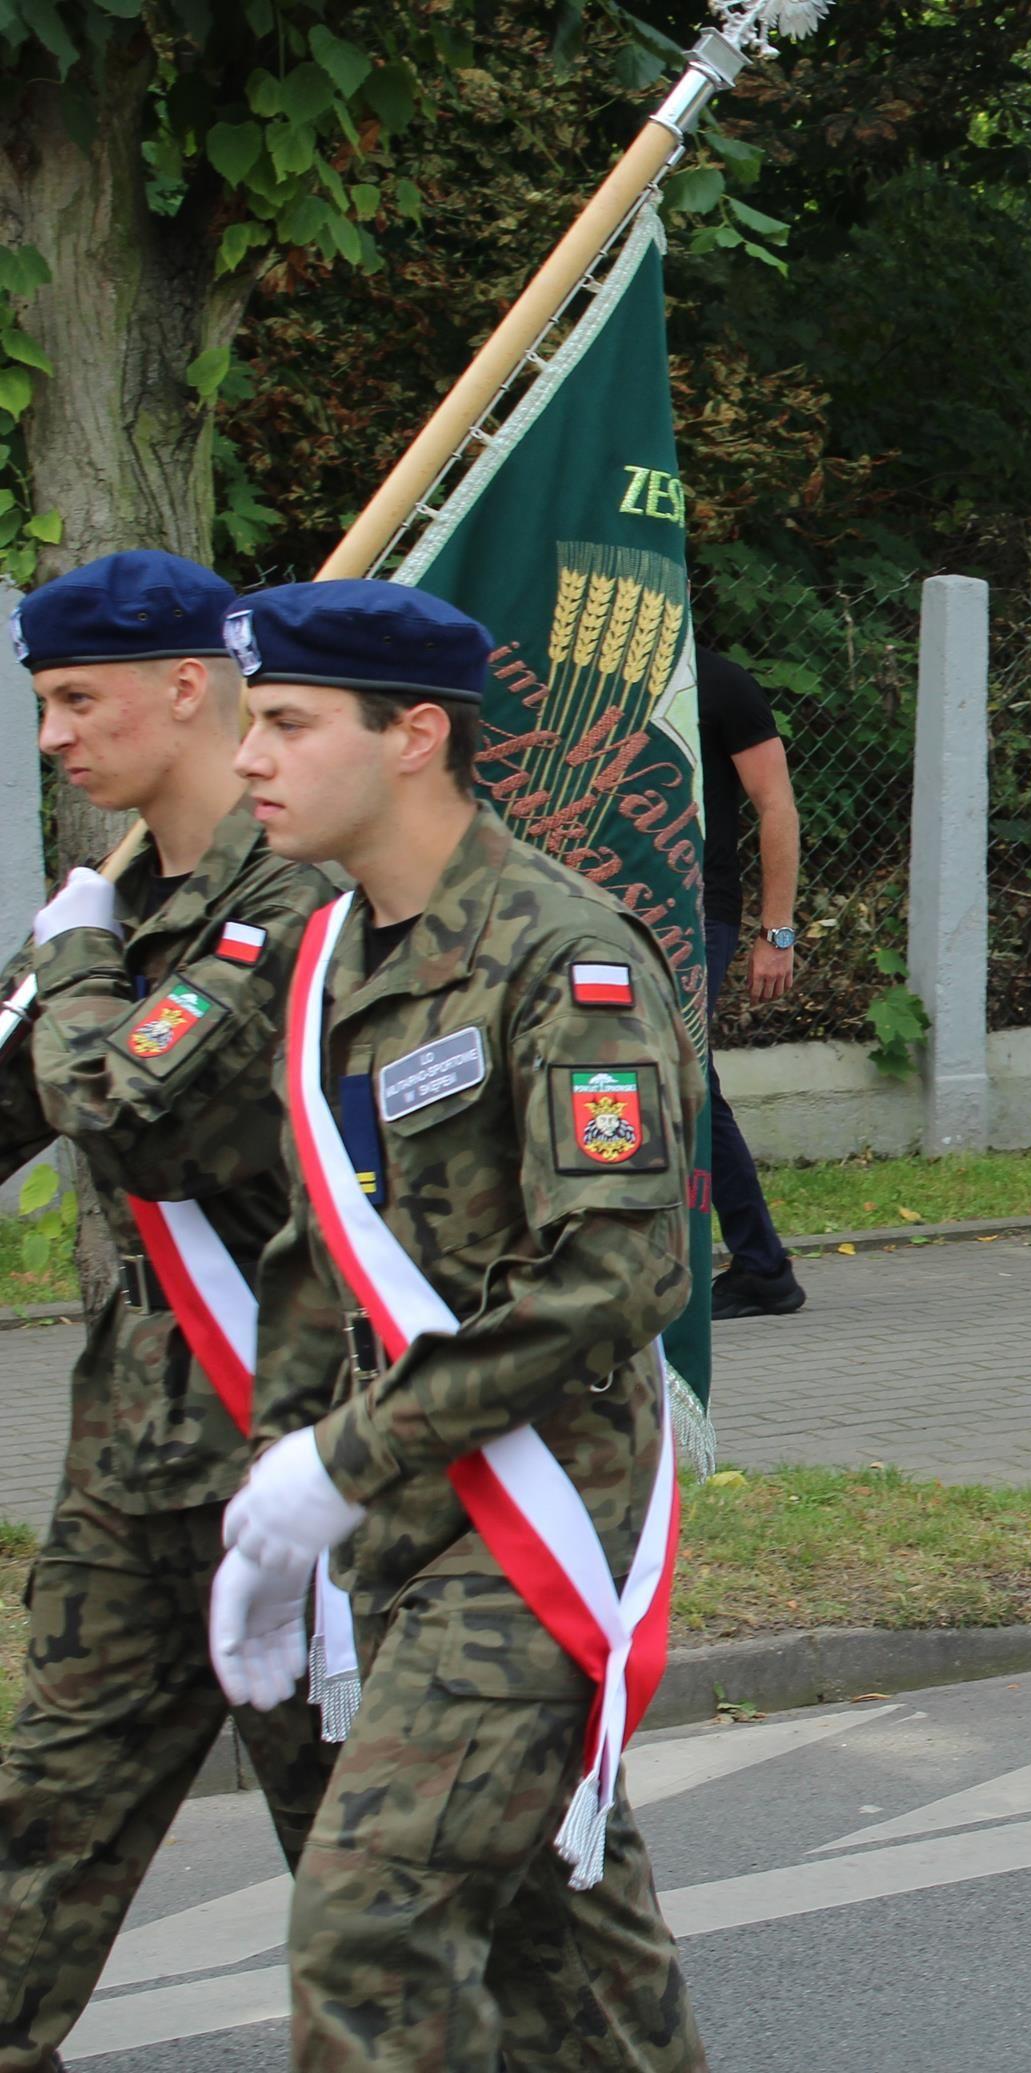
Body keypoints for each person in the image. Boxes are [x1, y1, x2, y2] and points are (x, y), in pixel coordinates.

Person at [210, 580, 706, 2064]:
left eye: (287, 724)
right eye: (249, 723)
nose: (250, 760)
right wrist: (279, 1515)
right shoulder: (330, 959)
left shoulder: (568, 957)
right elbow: (318, 1265)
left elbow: (615, 1277)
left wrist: (345, 1459)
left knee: (369, 1927)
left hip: (540, 1513)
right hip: (399, 1525)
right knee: (565, 1945)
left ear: (413, 734)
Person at [0, 552, 340, 2070]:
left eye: (79, 700)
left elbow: (131, 1113)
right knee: (43, 1818)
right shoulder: (119, 903)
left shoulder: (301, 895)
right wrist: (68, 958)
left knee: (369, 1860)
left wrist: (70, 959)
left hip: (303, 1461)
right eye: (45, 706)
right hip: (133, 1461)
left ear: (190, 686)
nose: (55, 737)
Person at [698, 642, 806, 1321]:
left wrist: (777, 932)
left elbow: (776, 805)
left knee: (678, 1073)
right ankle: (761, 1263)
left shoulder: (720, 683)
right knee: (681, 1079)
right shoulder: (585, 680)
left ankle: (762, 1265)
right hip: (596, 912)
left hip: (695, 912)